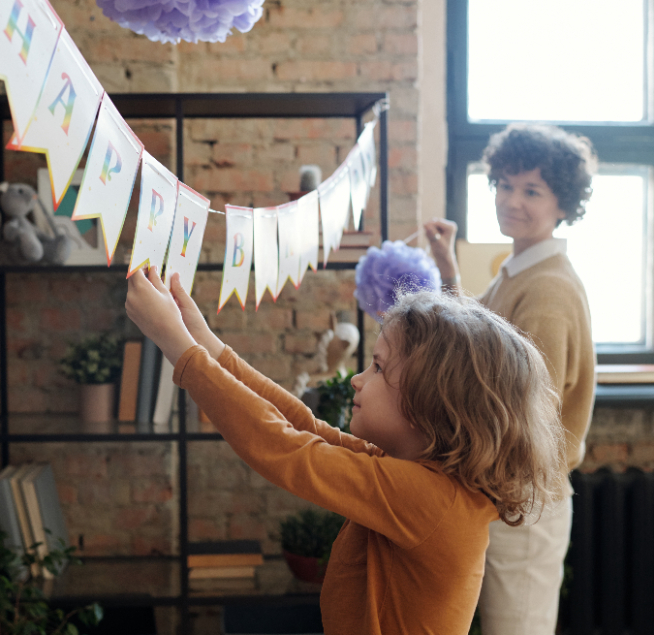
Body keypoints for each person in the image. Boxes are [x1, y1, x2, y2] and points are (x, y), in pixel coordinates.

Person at [125, 266, 568, 635]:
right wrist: (207, 344)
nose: (358, 379)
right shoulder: (414, 473)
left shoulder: (428, 498)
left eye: (377, 367)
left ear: (430, 402)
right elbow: (305, 428)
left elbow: (287, 450)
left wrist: (178, 348)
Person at [424, 123, 597, 635]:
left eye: (531, 190)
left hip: (524, 498)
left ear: (563, 203)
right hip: (508, 493)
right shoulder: (519, 270)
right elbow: (482, 338)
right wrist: (447, 269)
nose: (511, 200)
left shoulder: (547, 289)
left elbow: (527, 407)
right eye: (503, 184)